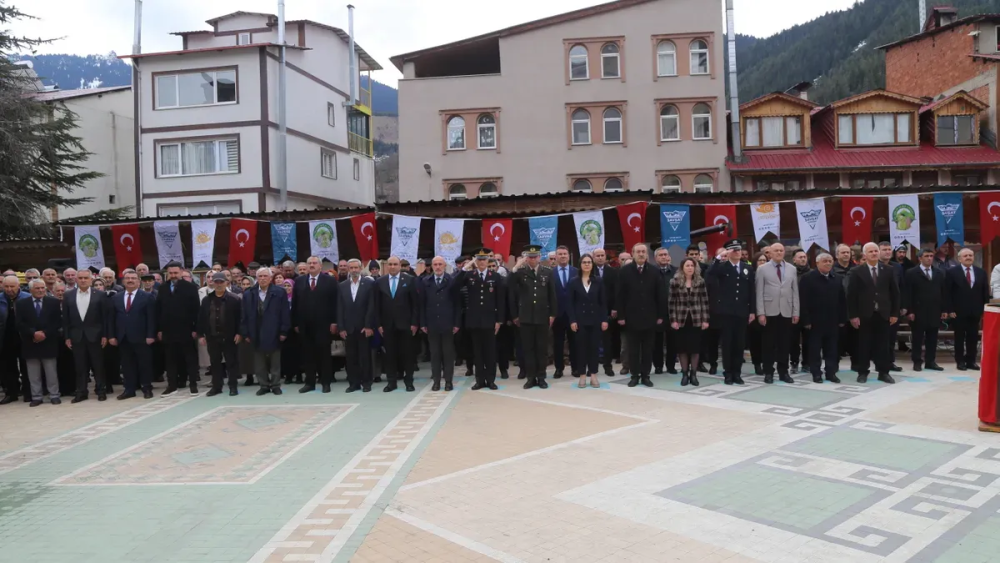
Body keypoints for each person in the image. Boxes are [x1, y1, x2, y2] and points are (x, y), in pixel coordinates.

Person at [847, 243, 900, 384]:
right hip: (864, 314)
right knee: (864, 345)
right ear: (865, 254)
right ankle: (863, 372)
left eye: (876, 251)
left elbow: (894, 293)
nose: (874, 253)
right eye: (870, 251)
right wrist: (853, 315)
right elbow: (851, 295)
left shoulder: (888, 270)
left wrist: (894, 313)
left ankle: (884, 372)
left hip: (883, 314)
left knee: (883, 345)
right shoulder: (856, 271)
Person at [706, 240, 755, 385]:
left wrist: (752, 311)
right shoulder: (722, 267)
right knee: (727, 344)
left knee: (739, 344)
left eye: (739, 249)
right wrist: (718, 257)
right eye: (734, 250)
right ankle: (728, 373)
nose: (737, 252)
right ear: (728, 252)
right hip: (726, 312)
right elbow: (709, 274)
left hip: (742, 312)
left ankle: (737, 373)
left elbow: (751, 291)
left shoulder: (747, 268)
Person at [456, 248, 507, 391]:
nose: (482, 262)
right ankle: (479, 380)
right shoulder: (469, 275)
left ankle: (490, 380)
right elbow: (455, 284)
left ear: (488, 261)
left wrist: (499, 320)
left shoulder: (495, 276)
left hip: (490, 321)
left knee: (490, 353)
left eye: (484, 259)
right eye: (479, 259)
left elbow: (500, 300)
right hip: (474, 321)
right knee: (477, 353)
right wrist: (465, 267)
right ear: (475, 261)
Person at [616, 243, 664, 388]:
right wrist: (621, 316)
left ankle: (646, 376)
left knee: (648, 349)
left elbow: (660, 295)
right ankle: (635, 376)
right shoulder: (624, 271)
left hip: (650, 317)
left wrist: (660, 315)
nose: (641, 254)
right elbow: (620, 296)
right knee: (633, 350)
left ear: (647, 254)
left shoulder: (655, 272)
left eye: (644, 251)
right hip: (631, 318)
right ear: (633, 254)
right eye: (639, 252)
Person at [509, 244, 557, 389]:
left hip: (543, 316)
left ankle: (541, 377)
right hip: (526, 317)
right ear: (526, 258)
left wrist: (553, 314)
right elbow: (509, 285)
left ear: (539, 257)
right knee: (528, 349)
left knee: (542, 349)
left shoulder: (547, 272)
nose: (532, 259)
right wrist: (516, 265)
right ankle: (531, 378)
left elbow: (552, 295)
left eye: (535, 257)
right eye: (529, 257)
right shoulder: (520, 272)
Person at [63, 268, 111, 402]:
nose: (83, 280)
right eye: (80, 278)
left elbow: (104, 318)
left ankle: (101, 390)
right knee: (80, 366)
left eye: (86, 278)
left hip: (96, 336)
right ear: (76, 280)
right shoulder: (68, 295)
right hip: (76, 336)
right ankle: (81, 392)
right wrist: (67, 337)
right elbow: (66, 319)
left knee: (98, 365)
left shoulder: (100, 295)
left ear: (91, 279)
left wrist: (105, 335)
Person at [292, 256, 339, 393]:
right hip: (305, 325)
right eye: (309, 263)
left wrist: (334, 321)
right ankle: (310, 383)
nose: (311, 265)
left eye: (314, 263)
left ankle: (326, 383)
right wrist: (295, 322)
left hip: (324, 325)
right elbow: (295, 303)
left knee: (324, 355)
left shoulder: (329, 281)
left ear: (320, 266)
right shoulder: (299, 281)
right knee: (308, 355)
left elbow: (335, 302)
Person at [755, 243, 799, 384]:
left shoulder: (792, 269)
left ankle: (783, 372)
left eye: (781, 250)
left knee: (784, 344)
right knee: (768, 344)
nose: (779, 252)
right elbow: (759, 291)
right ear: (770, 253)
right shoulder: (762, 269)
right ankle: (768, 372)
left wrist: (796, 311)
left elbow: (795, 291)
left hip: (786, 310)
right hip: (769, 311)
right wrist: (760, 312)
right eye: (776, 250)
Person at [799, 253, 847, 383]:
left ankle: (831, 373)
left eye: (830, 261)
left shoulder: (837, 278)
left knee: (832, 349)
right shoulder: (807, 278)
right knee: (814, 349)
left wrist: (842, 318)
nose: (828, 263)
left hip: (833, 321)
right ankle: (816, 373)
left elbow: (842, 300)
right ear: (818, 263)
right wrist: (806, 320)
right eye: (825, 261)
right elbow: (803, 301)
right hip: (815, 322)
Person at [241, 268, 290, 395]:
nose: (262, 278)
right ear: (257, 278)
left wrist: (284, 331)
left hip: (274, 330)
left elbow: (285, 313)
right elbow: (244, 315)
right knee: (259, 361)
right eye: (260, 276)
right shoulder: (249, 294)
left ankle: (275, 385)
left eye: (265, 276)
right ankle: (263, 385)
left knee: (275, 361)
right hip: (255, 330)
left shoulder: (279, 292)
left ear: (270, 278)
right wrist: (245, 333)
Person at [375, 256, 420, 392]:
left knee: (407, 355)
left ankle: (409, 382)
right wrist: (379, 325)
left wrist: (414, 323)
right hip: (387, 325)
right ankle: (391, 382)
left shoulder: (409, 280)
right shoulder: (380, 282)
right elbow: (376, 305)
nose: (393, 267)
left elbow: (415, 304)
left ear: (400, 266)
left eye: (395, 264)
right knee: (390, 355)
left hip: (405, 325)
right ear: (387, 266)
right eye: (390, 264)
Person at [156, 261, 201, 396]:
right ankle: (172, 385)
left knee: (190, 358)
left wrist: (195, 329)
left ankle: (193, 384)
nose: (173, 275)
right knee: (170, 360)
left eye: (176, 273)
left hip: (186, 329)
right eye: (171, 273)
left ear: (181, 272)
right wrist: (159, 329)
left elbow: (196, 310)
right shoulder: (163, 288)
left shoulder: (190, 287)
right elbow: (158, 310)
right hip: (168, 331)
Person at [110, 270, 156, 400]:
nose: (130, 280)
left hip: (142, 337)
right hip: (123, 337)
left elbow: (151, 318)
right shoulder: (116, 298)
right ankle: (129, 389)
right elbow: (112, 318)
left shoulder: (147, 297)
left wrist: (150, 335)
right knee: (126, 365)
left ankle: (146, 388)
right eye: (127, 278)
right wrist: (112, 336)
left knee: (144, 364)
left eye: (133, 278)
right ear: (123, 281)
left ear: (138, 281)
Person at [16, 280, 62, 406]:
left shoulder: (53, 302)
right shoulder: (21, 304)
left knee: (51, 372)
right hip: (30, 342)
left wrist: (44, 333)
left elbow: (57, 321)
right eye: (37, 288)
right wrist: (33, 333)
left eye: (42, 288)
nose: (41, 290)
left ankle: (54, 395)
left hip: (49, 341)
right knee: (33, 373)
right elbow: (19, 323)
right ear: (31, 290)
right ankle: (36, 397)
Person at [419, 256, 460, 391]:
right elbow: (422, 304)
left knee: (448, 354)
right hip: (432, 324)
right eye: (435, 264)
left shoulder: (452, 281)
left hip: (448, 323)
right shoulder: (425, 281)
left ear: (444, 266)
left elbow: (457, 304)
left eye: (440, 264)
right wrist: (423, 323)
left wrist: (456, 323)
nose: (437, 267)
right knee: (435, 354)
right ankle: (436, 381)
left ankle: (448, 381)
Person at [198, 272, 243, 396]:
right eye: (216, 282)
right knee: (215, 363)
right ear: (212, 283)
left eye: (221, 282)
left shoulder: (234, 299)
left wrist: (239, 333)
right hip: (212, 336)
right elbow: (201, 318)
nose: (218, 284)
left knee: (231, 363)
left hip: (229, 337)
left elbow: (240, 318)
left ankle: (233, 386)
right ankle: (217, 387)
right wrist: (201, 335)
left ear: (226, 283)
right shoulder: (207, 300)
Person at [945, 248, 989, 371]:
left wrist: (985, 309)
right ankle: (960, 361)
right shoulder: (952, 272)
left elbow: (985, 292)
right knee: (959, 338)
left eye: (970, 255)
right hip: (958, 312)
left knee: (973, 337)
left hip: (975, 311)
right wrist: (950, 309)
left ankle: (971, 361)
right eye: (965, 256)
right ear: (960, 259)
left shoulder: (981, 272)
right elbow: (947, 292)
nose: (968, 257)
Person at [568, 253, 607, 389]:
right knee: (581, 349)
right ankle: (582, 375)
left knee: (594, 348)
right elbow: (570, 303)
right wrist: (572, 320)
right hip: (580, 320)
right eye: (584, 262)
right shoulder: (573, 281)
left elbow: (603, 302)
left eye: (589, 262)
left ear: (592, 264)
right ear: (580, 265)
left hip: (595, 320)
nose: (587, 264)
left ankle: (594, 375)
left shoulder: (598, 280)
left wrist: (604, 319)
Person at [903, 249, 946, 372]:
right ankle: (917, 361)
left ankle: (930, 361)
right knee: (917, 338)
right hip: (917, 311)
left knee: (932, 338)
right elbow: (907, 293)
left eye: (931, 256)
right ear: (920, 258)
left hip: (934, 310)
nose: (929, 258)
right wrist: (909, 311)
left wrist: (944, 309)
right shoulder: (911, 273)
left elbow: (943, 292)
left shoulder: (939, 272)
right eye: (926, 256)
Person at [669, 258, 709, 386]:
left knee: (695, 349)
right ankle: (684, 374)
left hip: (696, 319)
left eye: (692, 265)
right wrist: (673, 319)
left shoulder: (700, 281)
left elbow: (705, 301)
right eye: (687, 265)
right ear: (682, 267)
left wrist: (705, 319)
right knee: (682, 348)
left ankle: (694, 374)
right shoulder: (674, 281)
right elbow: (671, 302)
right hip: (681, 319)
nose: (690, 268)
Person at [338, 259, 376, 393]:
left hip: (363, 327)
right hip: (348, 328)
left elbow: (371, 306)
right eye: (351, 268)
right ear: (348, 269)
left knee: (365, 357)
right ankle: (353, 383)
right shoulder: (342, 286)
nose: (354, 270)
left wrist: (368, 326)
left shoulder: (369, 284)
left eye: (356, 267)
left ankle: (366, 382)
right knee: (351, 357)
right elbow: (340, 308)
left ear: (360, 268)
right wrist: (341, 328)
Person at [550, 246, 578, 379]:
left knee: (574, 342)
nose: (562, 256)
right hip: (557, 314)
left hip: (573, 314)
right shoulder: (550, 273)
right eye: (560, 254)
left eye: (565, 254)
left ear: (569, 256)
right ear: (556, 256)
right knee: (558, 343)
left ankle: (575, 368)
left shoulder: (576, 272)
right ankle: (559, 369)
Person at [879, 241, 905, 372]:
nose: (888, 252)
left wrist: (902, 306)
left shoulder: (897, 267)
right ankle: (878, 362)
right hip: (877, 307)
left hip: (893, 308)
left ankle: (890, 362)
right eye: (884, 249)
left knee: (891, 338)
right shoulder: (873, 266)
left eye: (889, 249)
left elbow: (901, 287)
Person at [592, 249, 619, 376]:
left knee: (607, 341)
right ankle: (592, 367)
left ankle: (608, 366)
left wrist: (614, 307)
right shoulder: (588, 271)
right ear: (593, 257)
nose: (600, 258)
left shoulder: (613, 272)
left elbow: (617, 291)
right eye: (598, 256)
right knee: (592, 341)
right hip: (591, 311)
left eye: (602, 255)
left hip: (608, 312)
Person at [652, 247, 678, 375]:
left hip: (673, 312)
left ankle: (671, 366)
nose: (663, 257)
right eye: (661, 255)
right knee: (657, 342)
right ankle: (658, 366)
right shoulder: (651, 272)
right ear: (656, 258)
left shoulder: (676, 271)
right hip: (657, 313)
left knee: (673, 342)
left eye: (665, 254)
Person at [833, 244, 856, 366]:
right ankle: (834, 366)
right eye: (843, 252)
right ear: (837, 255)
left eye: (848, 252)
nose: (846, 254)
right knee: (836, 341)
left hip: (854, 310)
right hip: (837, 311)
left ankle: (857, 365)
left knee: (856, 341)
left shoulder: (857, 269)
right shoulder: (831, 270)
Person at [789, 250, 811, 374]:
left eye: (804, 257)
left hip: (808, 311)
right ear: (794, 260)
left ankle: (807, 363)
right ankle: (794, 362)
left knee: (808, 339)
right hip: (793, 310)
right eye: (800, 257)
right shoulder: (790, 273)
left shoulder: (812, 273)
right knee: (793, 340)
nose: (803, 259)